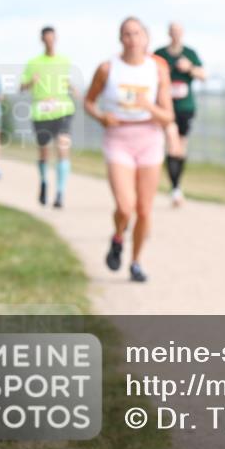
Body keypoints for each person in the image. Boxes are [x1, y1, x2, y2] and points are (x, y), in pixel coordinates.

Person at [84, 17, 174, 283]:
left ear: (146, 38)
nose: (132, 39)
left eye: (137, 33)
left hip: (149, 137)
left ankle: (135, 262)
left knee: (144, 210)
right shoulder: (107, 68)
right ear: (120, 39)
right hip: (119, 138)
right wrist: (101, 117)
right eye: (126, 34)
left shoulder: (157, 69)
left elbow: (167, 116)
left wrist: (148, 106)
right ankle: (118, 236)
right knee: (125, 207)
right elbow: (88, 102)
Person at [20, 26, 77, 208]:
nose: (50, 42)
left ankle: (60, 193)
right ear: (42, 40)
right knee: (44, 151)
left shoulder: (64, 61)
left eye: (52, 39)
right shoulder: (33, 62)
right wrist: (31, 82)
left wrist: (72, 88)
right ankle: (44, 181)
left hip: (62, 109)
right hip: (42, 111)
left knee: (62, 146)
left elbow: (64, 80)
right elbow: (22, 87)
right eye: (47, 39)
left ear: (56, 39)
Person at [154, 22, 206, 207]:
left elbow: (203, 75)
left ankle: (176, 186)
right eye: (173, 31)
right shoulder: (159, 54)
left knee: (180, 147)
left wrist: (189, 68)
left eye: (178, 31)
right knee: (171, 143)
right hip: (166, 108)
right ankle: (175, 189)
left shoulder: (190, 53)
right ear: (168, 33)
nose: (175, 34)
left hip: (185, 107)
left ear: (182, 33)